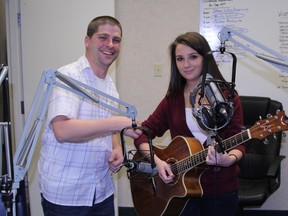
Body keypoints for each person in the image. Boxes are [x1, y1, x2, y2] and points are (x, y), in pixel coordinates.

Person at [39, 16, 142, 216]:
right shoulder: (68, 77)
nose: (110, 45)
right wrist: (116, 123)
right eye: (103, 37)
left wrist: (118, 148)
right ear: (87, 41)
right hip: (67, 195)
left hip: (101, 191)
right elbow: (62, 130)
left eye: (116, 40)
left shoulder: (110, 86)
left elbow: (110, 131)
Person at [134, 32, 245, 216]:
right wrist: (158, 162)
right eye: (180, 59)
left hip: (220, 189)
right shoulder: (172, 100)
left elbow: (238, 140)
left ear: (206, 58)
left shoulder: (228, 97)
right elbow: (143, 133)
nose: (186, 64)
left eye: (193, 57)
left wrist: (228, 159)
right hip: (182, 191)